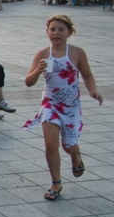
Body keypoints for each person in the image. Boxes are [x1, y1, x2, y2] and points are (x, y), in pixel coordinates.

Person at [24, 15, 103, 201]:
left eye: (61, 29)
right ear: (47, 32)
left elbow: (88, 75)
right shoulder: (43, 54)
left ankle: (75, 154)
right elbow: (28, 82)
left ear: (69, 33)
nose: (56, 33)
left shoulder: (77, 53)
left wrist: (93, 90)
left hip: (71, 106)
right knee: (51, 144)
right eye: (52, 29)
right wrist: (38, 70)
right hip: (50, 104)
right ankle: (56, 182)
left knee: (68, 146)